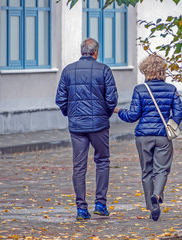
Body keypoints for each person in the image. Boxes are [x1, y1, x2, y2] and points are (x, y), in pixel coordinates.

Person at [113, 54, 182, 221]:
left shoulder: (140, 89)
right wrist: (171, 124)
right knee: (162, 169)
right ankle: (157, 195)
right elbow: (180, 112)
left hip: (143, 136)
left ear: (145, 70)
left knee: (147, 171)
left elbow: (133, 115)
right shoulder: (171, 89)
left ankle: (152, 207)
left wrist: (119, 111)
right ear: (163, 71)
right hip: (162, 136)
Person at [55, 38, 118, 220]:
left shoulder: (68, 70)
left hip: (77, 126)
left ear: (81, 51)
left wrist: (71, 113)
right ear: (96, 52)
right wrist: (104, 114)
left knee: (79, 166)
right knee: (103, 161)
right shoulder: (104, 69)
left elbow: (60, 99)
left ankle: (81, 208)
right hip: (99, 125)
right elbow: (112, 99)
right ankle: (100, 204)